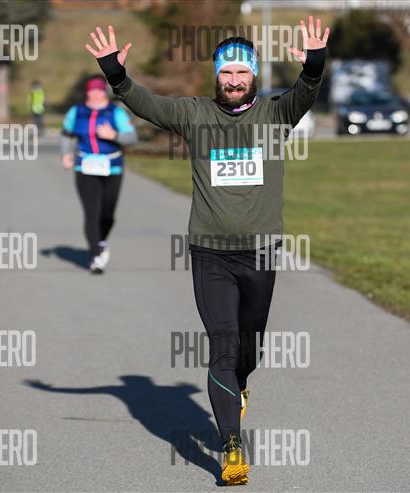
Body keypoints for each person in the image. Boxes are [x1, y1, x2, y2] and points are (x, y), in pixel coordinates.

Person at [86, 17, 328, 485]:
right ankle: (232, 447)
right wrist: (115, 73)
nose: (234, 81)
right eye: (226, 73)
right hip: (210, 253)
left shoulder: (275, 114)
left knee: (249, 350)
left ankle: (239, 386)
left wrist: (314, 63)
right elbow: (147, 104)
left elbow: (306, 91)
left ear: (253, 74)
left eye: (241, 72)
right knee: (224, 345)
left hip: (260, 252)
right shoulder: (195, 114)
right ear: (216, 76)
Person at [60, 75, 138, 274]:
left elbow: (132, 138)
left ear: (105, 92)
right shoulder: (77, 111)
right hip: (85, 167)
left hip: (112, 167)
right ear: (87, 92)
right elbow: (67, 134)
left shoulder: (115, 112)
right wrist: (66, 154)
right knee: (91, 212)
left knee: (108, 214)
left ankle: (101, 240)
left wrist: (113, 135)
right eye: (92, 90)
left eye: (99, 90)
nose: (95, 94)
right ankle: (96, 255)